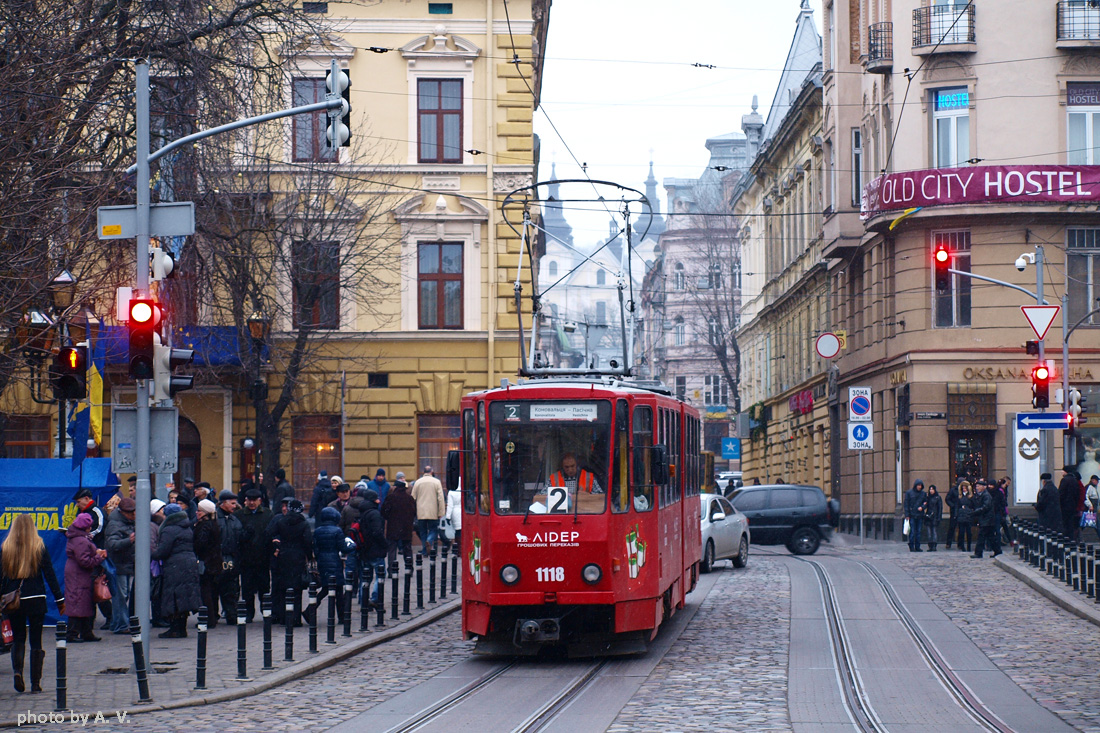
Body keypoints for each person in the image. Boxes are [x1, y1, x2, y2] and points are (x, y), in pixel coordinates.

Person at [1, 514, 63, 692]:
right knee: (36, 641)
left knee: (18, 638)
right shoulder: (38, 546)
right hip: (36, 598)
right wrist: (59, 599)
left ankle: (17, 672)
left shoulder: (6, 547)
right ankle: (36, 683)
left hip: (14, 600)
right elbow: (50, 574)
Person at [152, 504, 201, 638]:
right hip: (189, 564)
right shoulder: (186, 527)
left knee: (173, 597)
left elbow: (163, 551)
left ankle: (175, 629)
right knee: (184, 596)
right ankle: (182, 628)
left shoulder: (169, 529)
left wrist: (151, 553)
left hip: (175, 566)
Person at [64, 512, 106, 643]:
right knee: (78, 601)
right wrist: (99, 557)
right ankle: (72, 633)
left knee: (82, 601)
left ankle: (85, 632)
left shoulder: (77, 538)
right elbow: (85, 561)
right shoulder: (81, 541)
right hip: (79, 574)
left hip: (77, 573)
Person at [270, 499, 312, 626]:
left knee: (284, 588)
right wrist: (309, 556)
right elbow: (308, 542)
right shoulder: (304, 523)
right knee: (297, 590)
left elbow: (270, 533)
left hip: (283, 556)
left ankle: (284, 617)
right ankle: (295, 619)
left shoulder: (281, 521)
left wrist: (277, 545)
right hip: (298, 557)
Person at [235, 488, 272, 623]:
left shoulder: (267, 514)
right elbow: (237, 535)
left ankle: (266, 611)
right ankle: (249, 612)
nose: (251, 503)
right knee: (247, 588)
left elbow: (271, 532)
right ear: (245, 501)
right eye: (249, 500)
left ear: (259, 501)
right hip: (246, 558)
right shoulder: (239, 515)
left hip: (263, 557)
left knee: (264, 587)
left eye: (254, 501)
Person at [104, 497, 137, 634]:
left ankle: (117, 623)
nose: (134, 515)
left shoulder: (127, 521)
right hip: (119, 565)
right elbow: (112, 545)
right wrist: (128, 541)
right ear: (123, 512)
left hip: (126, 564)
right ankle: (121, 625)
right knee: (121, 596)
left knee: (123, 595)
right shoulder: (114, 524)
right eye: (131, 513)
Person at [313, 507, 355, 612]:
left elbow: (315, 548)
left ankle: (310, 609)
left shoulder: (317, 531)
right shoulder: (337, 531)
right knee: (338, 588)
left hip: (322, 561)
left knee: (327, 586)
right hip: (334, 561)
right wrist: (353, 545)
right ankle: (341, 615)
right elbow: (343, 548)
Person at [193, 499, 223, 627]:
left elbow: (200, 544)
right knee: (212, 591)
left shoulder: (203, 526)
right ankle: (212, 616)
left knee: (205, 591)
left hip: (206, 562)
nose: (197, 512)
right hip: (214, 561)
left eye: (199, 510)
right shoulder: (214, 524)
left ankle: (208, 618)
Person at [215, 490, 243, 625]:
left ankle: (232, 615)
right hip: (217, 559)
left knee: (231, 588)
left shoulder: (234, 519)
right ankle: (212, 616)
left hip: (232, 559)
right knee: (214, 588)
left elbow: (239, 538)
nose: (234, 505)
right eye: (232, 503)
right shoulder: (214, 518)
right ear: (223, 503)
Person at [357, 490, 388, 606]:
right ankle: (375, 598)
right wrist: (385, 544)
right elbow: (377, 533)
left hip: (366, 549)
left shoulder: (363, 512)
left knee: (366, 577)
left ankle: (362, 599)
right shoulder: (374, 513)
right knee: (380, 575)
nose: (379, 500)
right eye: (376, 498)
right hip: (375, 549)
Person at [381, 472, 416, 566]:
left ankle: (391, 570)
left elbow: (383, 512)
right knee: (407, 548)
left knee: (392, 549)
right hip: (406, 527)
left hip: (393, 527)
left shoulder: (390, 498)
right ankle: (409, 568)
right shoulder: (409, 498)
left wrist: (390, 518)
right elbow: (414, 512)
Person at [411, 466, 446, 555]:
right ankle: (429, 540)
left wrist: (414, 511)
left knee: (422, 532)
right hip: (433, 512)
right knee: (433, 530)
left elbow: (412, 498)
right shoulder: (437, 482)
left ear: (424, 472)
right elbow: (440, 498)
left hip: (421, 512)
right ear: (432, 472)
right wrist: (441, 512)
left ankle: (425, 551)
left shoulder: (417, 482)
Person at [971, 478, 1000, 558]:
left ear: (984, 487)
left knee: (981, 536)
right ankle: (998, 551)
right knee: (991, 537)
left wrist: (975, 512)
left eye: (979, 486)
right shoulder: (981, 495)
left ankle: (978, 553)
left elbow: (985, 507)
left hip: (987, 519)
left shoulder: (986, 495)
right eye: (976, 486)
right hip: (985, 520)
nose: (977, 488)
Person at [903, 479, 926, 552]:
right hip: (912, 515)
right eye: (918, 485)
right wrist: (907, 514)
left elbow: (925, 502)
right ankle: (911, 545)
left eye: (920, 486)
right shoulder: (909, 493)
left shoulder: (923, 494)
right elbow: (906, 504)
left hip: (919, 515)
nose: (919, 487)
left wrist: (922, 507)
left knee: (918, 532)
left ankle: (917, 546)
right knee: (912, 531)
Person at [1060, 466, 1082, 542]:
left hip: (1065, 507)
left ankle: (1066, 539)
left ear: (1066, 472)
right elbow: (1077, 494)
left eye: (1062, 471)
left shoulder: (1065, 480)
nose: (1061, 472)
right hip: (1072, 507)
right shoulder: (1074, 481)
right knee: (1071, 524)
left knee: (1065, 524)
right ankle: (1071, 539)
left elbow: (1061, 494)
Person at [923, 485, 943, 551]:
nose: (931, 491)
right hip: (928, 516)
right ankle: (930, 545)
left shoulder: (938, 498)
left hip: (935, 516)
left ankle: (934, 545)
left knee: (934, 531)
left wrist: (939, 517)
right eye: (930, 489)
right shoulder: (928, 498)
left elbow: (940, 508)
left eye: (932, 489)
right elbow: (925, 506)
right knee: (929, 532)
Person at [444, 479, 463, 551]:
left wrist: (448, 516)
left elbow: (450, 506)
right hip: (463, 511)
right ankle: (462, 548)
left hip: (455, 512)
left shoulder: (451, 492)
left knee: (457, 531)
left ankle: (458, 549)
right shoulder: (463, 491)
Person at [955, 481, 973, 552]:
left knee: (969, 532)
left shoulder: (971, 496)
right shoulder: (959, 496)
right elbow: (957, 506)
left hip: (968, 516)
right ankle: (962, 546)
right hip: (961, 516)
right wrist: (956, 514)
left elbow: (973, 505)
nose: (964, 489)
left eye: (965, 488)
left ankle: (969, 546)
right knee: (961, 532)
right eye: (963, 488)